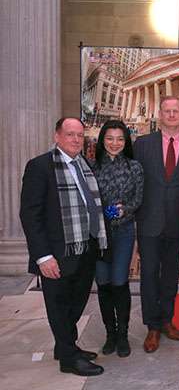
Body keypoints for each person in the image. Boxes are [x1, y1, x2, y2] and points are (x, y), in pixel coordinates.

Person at [19, 117, 107, 376]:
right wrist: (43, 256)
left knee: (76, 301)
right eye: (70, 134)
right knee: (59, 305)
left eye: (80, 135)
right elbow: (30, 215)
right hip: (57, 252)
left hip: (85, 247)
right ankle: (69, 359)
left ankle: (65, 345)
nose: (76, 139)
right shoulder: (40, 166)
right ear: (57, 136)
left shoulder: (84, 164)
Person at [133, 95, 179, 353]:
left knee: (170, 276)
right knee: (149, 274)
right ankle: (152, 326)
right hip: (148, 221)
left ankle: (166, 320)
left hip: (178, 223)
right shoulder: (142, 145)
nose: (172, 115)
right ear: (160, 114)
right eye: (167, 111)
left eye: (176, 111)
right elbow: (134, 180)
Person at [93, 120, 144, 358]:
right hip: (98, 234)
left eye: (120, 139)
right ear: (102, 140)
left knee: (119, 282)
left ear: (126, 141)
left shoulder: (135, 167)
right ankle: (110, 334)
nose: (115, 143)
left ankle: (123, 334)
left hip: (123, 231)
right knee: (103, 283)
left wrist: (125, 210)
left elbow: (138, 199)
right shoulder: (91, 167)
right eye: (110, 138)